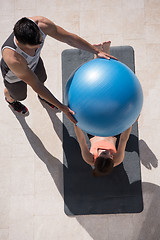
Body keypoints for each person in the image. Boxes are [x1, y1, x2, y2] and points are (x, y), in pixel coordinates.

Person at [0, 16, 116, 123]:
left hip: (34, 63)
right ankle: (10, 100)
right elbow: (35, 84)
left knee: (42, 79)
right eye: (35, 46)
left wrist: (97, 51)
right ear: (21, 43)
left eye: (40, 41)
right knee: (19, 95)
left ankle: (44, 98)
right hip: (14, 75)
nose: (40, 46)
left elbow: (69, 38)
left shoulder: (42, 24)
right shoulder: (13, 58)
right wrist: (62, 107)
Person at [73, 41, 134, 176]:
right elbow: (124, 139)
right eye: (110, 156)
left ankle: (98, 54)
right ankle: (104, 53)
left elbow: (81, 140)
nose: (108, 154)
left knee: (96, 94)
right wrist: (131, 119)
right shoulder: (118, 160)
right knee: (110, 94)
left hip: (93, 129)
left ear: (95, 159)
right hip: (114, 129)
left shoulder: (88, 158)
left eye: (104, 155)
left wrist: (75, 122)